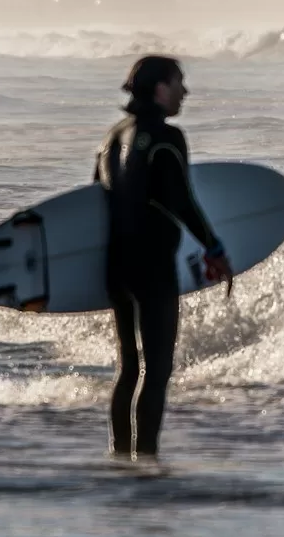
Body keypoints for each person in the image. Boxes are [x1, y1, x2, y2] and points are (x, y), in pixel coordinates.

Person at [94, 55, 230, 460]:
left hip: (116, 266)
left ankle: (121, 458)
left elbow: (94, 205)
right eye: (179, 82)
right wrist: (213, 247)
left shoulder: (113, 136)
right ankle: (147, 461)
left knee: (129, 369)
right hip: (153, 267)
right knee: (157, 372)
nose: (185, 92)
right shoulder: (168, 137)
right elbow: (181, 201)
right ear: (160, 88)